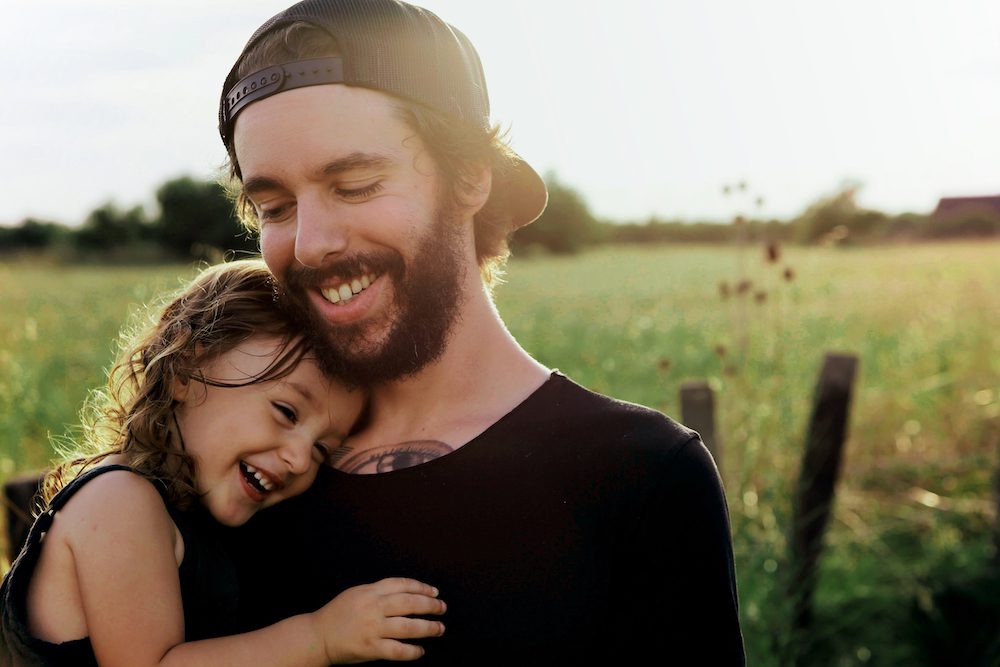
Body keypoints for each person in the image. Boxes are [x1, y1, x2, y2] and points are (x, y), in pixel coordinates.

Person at [218, 1, 745, 663]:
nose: (312, 243)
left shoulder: (640, 476)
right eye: (274, 207)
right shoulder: (247, 471)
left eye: (354, 184)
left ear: (470, 176)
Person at [0, 259, 447, 666]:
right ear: (184, 368)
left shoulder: (189, 519)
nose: (297, 459)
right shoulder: (118, 501)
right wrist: (321, 638)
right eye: (286, 412)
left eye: (320, 450)